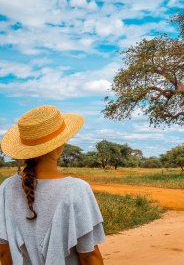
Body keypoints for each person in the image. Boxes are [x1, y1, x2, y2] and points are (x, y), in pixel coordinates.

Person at [0, 105, 105, 265]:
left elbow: (4, 252)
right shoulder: (77, 189)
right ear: (59, 146)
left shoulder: (7, 188)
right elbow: (89, 256)